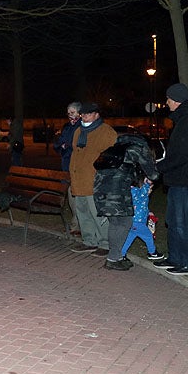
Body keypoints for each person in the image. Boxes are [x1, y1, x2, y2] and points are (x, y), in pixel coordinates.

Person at [151, 83, 188, 276]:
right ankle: (175, 258)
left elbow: (182, 154)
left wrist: (158, 168)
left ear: (176, 100)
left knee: (183, 220)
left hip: (185, 178)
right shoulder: (185, 118)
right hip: (177, 178)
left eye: (168, 99)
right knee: (173, 220)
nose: (166, 103)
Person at [92, 131, 159, 270]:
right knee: (124, 223)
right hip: (118, 191)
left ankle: (116, 256)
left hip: (100, 190)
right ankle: (114, 259)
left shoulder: (116, 148)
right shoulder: (139, 148)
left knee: (115, 223)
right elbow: (153, 173)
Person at [68, 101, 118, 257]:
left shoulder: (106, 132)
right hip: (79, 179)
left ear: (97, 114)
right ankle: (89, 241)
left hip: (95, 180)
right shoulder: (78, 131)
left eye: (89, 114)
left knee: (98, 213)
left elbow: (112, 158)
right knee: (82, 212)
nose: (85, 117)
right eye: (83, 114)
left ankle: (105, 243)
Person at [54, 102, 82, 233]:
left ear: (79, 113)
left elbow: (77, 145)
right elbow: (59, 143)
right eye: (68, 113)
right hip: (66, 165)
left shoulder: (81, 126)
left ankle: (77, 225)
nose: (70, 115)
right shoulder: (66, 127)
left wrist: (67, 146)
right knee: (71, 197)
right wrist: (62, 146)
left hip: (77, 166)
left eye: (73, 112)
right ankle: (76, 225)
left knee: (76, 198)